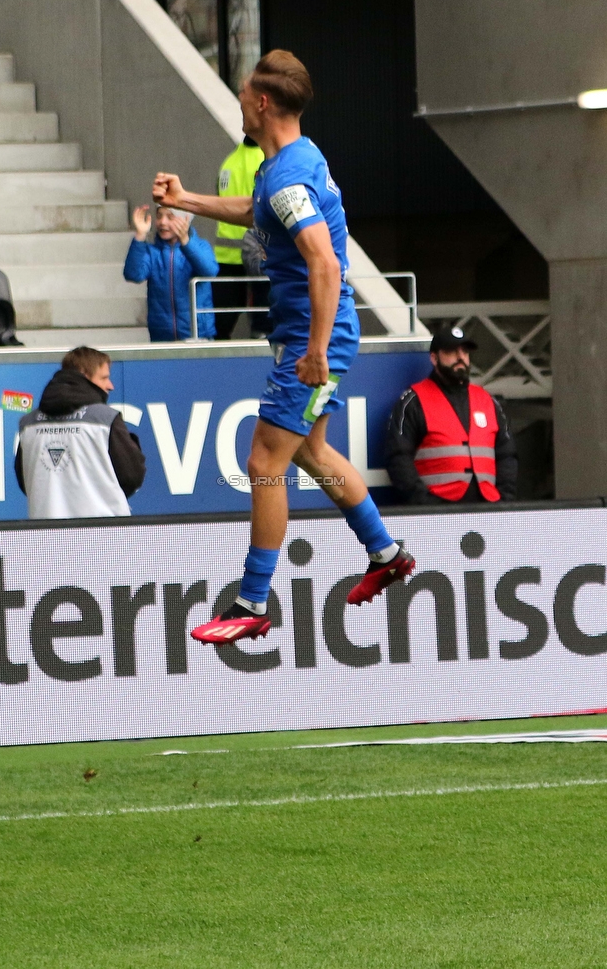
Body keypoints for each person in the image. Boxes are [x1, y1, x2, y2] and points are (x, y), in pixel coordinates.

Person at [152, 49, 415, 645]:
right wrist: (185, 200)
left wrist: (317, 348)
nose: (239, 104)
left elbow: (323, 260)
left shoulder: (291, 176)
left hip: (310, 338)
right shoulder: (289, 162)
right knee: (311, 453)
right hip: (309, 333)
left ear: (262, 102)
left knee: (263, 463)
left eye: (243, 96)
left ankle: (252, 601)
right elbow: (256, 212)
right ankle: (387, 553)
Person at [384, 326, 518, 504]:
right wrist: (423, 502)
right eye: (451, 351)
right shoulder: (413, 401)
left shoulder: (487, 401)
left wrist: (504, 500)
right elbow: (398, 456)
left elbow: (507, 455)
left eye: (464, 351)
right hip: (438, 511)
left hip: (488, 509)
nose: (460, 357)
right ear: (434, 358)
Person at [15, 346, 146, 519]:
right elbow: (131, 476)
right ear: (84, 375)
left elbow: (27, 482)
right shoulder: (105, 419)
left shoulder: (28, 423)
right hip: (104, 533)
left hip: (46, 533)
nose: (111, 386)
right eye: (104, 377)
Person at [123, 204, 218, 341]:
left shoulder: (200, 246)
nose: (163, 222)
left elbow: (209, 271)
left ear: (185, 220)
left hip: (198, 333)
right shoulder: (153, 251)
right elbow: (133, 274)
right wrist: (140, 236)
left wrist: (186, 242)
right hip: (161, 334)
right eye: (159, 216)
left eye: (170, 217)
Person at [213, 136, 270, 339]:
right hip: (261, 255)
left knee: (219, 330)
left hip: (227, 257)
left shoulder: (229, 161)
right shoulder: (270, 160)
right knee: (264, 331)